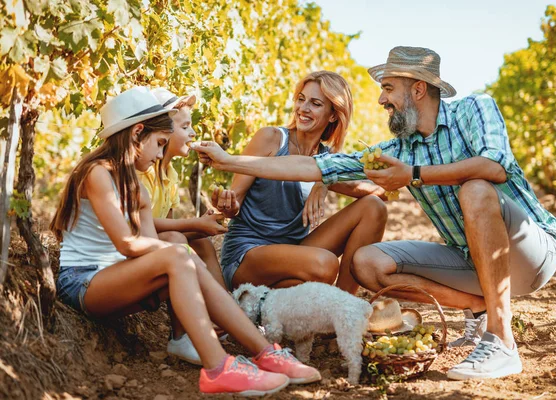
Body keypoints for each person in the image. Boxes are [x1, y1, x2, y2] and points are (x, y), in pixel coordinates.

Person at [194, 47, 556, 380]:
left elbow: (495, 166)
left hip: (529, 254)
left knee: (476, 188)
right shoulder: (397, 149)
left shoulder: (474, 108)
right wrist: (230, 160)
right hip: (473, 264)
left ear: (417, 90)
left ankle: (502, 340)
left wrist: (413, 176)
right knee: (366, 263)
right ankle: (479, 308)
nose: (381, 98)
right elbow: (318, 167)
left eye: (388, 88)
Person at [50, 86, 321, 396]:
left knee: (180, 256)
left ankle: (266, 353)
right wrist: (179, 254)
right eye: (159, 143)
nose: (159, 154)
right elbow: (128, 245)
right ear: (138, 132)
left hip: (112, 279)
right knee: (179, 254)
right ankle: (219, 368)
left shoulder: (135, 184)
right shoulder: (98, 173)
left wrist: (178, 263)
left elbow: (148, 244)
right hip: (83, 282)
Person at [206, 70, 388, 294]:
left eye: (315, 103)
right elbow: (234, 206)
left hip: (297, 255)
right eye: (301, 99)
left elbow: (380, 193)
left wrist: (325, 181)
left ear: (333, 115)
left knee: (373, 208)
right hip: (250, 256)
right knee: (325, 264)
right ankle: (325, 303)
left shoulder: (326, 159)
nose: (303, 108)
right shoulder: (271, 138)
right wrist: (227, 205)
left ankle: (344, 306)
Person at [137, 88, 227, 291]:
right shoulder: (142, 171)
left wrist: (207, 224)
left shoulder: (171, 174)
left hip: (154, 243)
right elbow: (143, 225)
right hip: (136, 245)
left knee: (202, 241)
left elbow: (168, 224)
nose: (193, 133)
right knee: (177, 239)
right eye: (185, 127)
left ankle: (226, 304)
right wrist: (195, 222)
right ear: (164, 131)